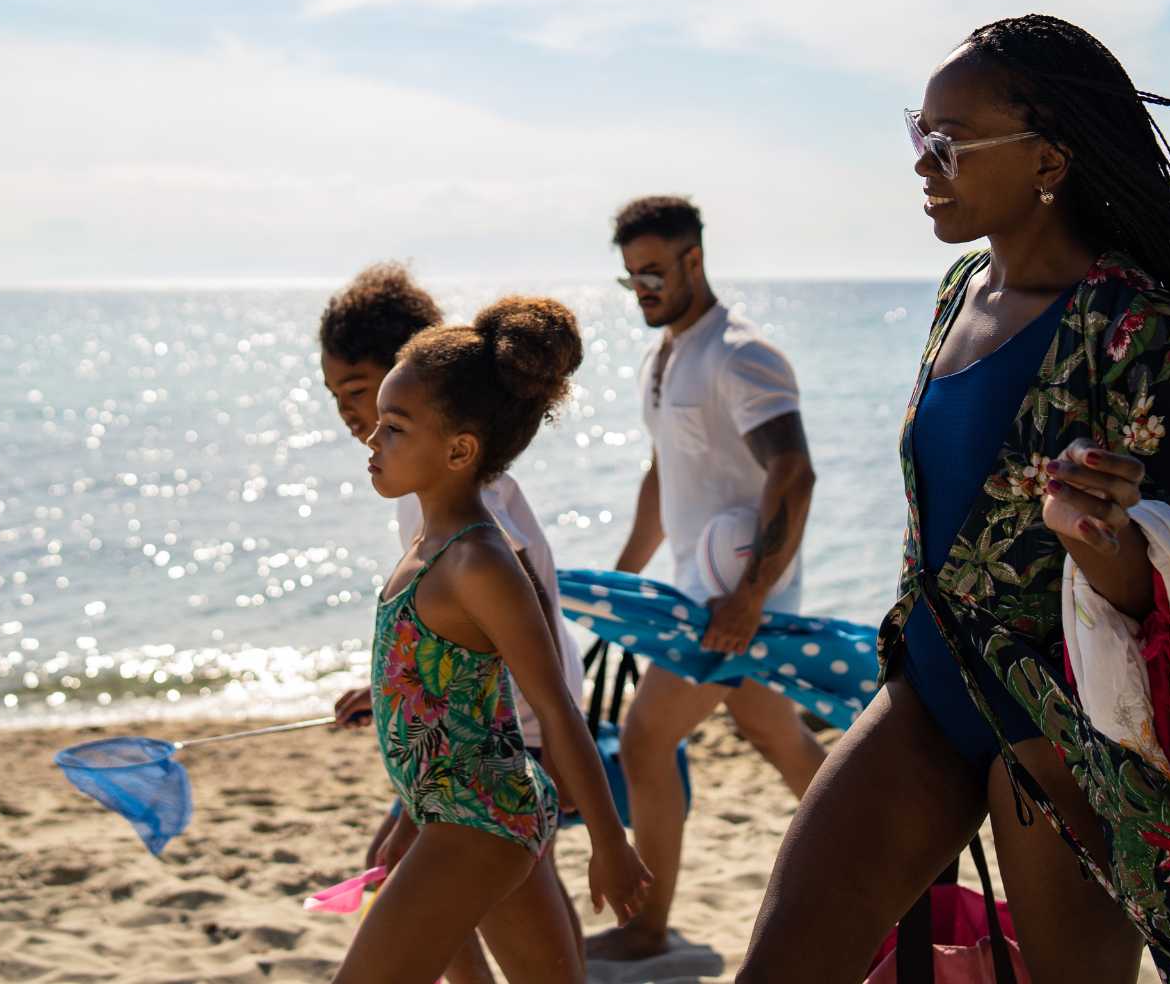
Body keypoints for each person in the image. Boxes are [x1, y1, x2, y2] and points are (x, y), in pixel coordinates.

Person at [738, 15, 1170, 982]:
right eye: (915, 135)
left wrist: (1103, 537)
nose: (924, 165)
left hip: (1066, 733)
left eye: (948, 142)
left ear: (1048, 158)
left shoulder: (1144, 331)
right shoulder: (958, 291)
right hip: (928, 689)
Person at [334, 296, 652, 984]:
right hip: (464, 808)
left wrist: (609, 841)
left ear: (458, 450)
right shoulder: (428, 541)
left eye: (393, 427)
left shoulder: (480, 559)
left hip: (482, 818)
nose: (372, 440)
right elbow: (448, 709)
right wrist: (408, 819)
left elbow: (555, 707)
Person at [586, 195, 827, 962]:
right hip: (704, 591)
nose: (644, 290)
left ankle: (647, 928)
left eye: (655, 272)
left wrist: (750, 597)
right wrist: (621, 582)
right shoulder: (667, 357)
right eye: (632, 279)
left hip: (734, 600)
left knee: (645, 739)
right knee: (775, 734)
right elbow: (667, 477)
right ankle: (898, 869)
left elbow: (793, 472)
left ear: (695, 258)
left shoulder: (740, 354)